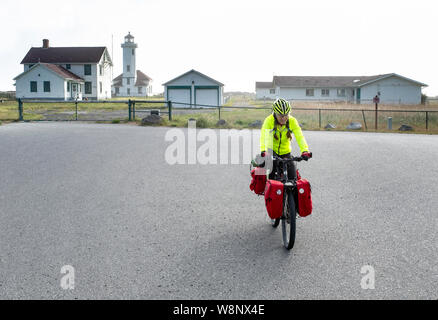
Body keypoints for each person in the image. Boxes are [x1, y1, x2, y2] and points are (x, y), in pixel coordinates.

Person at [259, 98, 312, 180]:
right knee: (270, 177)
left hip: (286, 152)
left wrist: (305, 150)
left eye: (286, 115)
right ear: (275, 114)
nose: (284, 118)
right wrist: (264, 151)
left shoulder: (292, 121)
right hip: (272, 151)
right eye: (281, 115)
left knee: (293, 179)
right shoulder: (269, 121)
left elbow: (300, 137)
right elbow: (264, 137)